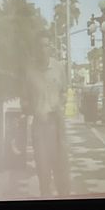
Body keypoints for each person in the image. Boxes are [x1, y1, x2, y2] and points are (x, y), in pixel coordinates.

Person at [22, 35, 71, 197]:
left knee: (61, 168)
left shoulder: (59, 68)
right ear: (36, 49)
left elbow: (64, 92)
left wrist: (61, 104)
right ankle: (46, 202)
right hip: (40, 126)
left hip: (57, 123)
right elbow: (24, 100)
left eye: (46, 46)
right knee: (43, 168)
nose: (43, 50)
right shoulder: (30, 72)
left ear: (50, 48)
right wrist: (32, 108)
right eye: (40, 46)